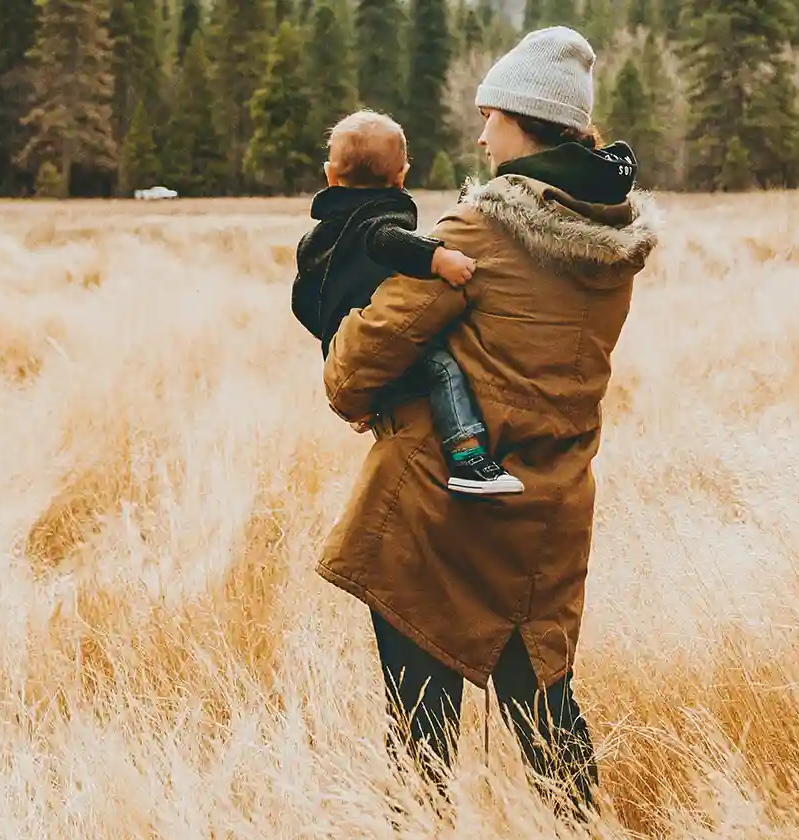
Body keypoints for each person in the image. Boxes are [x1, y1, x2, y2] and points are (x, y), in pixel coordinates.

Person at [314, 25, 660, 824]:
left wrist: (345, 360)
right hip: (550, 510)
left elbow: (361, 360)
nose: (480, 133)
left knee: (420, 744)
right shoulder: (611, 239)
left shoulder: (479, 231)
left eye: (491, 116)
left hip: (441, 513)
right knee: (547, 722)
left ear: (526, 121)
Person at [291, 110, 526, 496]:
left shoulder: (321, 237)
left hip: (344, 348)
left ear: (330, 176)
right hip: (377, 342)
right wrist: (438, 258)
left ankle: (374, 401)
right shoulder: (376, 219)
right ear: (402, 175)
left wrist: (334, 338)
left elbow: (301, 301)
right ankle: (467, 458)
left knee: (399, 395)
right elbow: (386, 240)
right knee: (443, 369)